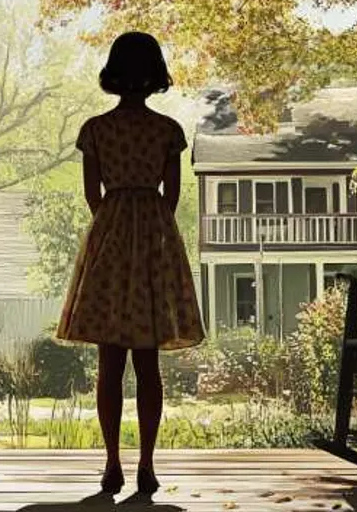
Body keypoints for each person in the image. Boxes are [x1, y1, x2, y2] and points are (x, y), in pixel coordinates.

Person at [55, 31, 205, 499]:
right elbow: (174, 196)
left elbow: (91, 196)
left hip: (111, 238)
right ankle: (147, 466)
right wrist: (151, 220)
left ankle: (111, 464)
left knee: (109, 362)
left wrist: (114, 223)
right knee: (148, 363)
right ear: (156, 75)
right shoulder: (167, 131)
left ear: (114, 73)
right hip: (154, 242)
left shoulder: (96, 129)